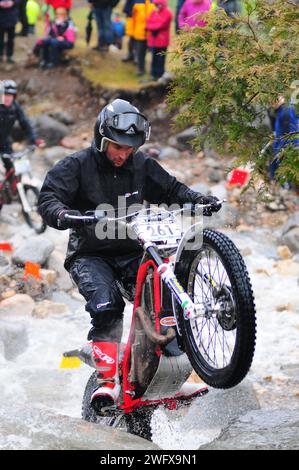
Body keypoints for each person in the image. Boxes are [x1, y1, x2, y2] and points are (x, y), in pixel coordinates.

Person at [37, 98, 221, 414]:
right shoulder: (76, 166)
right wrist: (64, 214)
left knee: (167, 297)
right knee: (108, 305)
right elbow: (48, 198)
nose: (122, 154)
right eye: (116, 146)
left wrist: (200, 201)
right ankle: (107, 379)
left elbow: (173, 191)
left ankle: (172, 379)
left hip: (134, 251)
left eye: (129, 148)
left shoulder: (143, 165)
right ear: (101, 139)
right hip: (90, 256)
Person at [0, 80, 44, 174]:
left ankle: (13, 188)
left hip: (4, 143)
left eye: (10, 95)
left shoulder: (15, 107)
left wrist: (34, 140)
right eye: (5, 95)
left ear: (14, 96)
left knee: (12, 169)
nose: (7, 98)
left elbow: (25, 123)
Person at [146, 0, 173, 81]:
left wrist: (152, 25)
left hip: (162, 41)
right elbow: (148, 22)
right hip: (154, 40)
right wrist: (153, 25)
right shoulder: (154, 12)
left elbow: (161, 24)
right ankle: (153, 74)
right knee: (154, 57)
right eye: (156, 4)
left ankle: (159, 74)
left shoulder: (168, 13)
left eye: (159, 4)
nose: (157, 6)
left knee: (160, 58)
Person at [131, 0, 154, 76]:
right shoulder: (137, 4)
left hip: (151, 33)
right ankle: (141, 69)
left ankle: (153, 71)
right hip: (140, 33)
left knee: (153, 52)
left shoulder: (154, 4)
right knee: (140, 52)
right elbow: (133, 18)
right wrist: (133, 31)